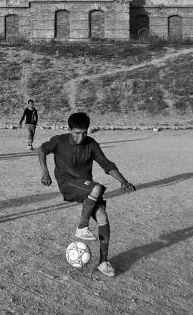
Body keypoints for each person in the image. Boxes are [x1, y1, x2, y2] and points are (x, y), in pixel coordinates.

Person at [37, 112, 136, 277]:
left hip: (86, 186)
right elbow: (41, 150)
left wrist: (123, 181)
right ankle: (82, 227)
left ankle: (103, 262)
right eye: (77, 133)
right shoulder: (59, 141)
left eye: (84, 132)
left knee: (103, 216)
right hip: (67, 182)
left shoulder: (91, 144)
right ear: (69, 130)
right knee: (96, 188)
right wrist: (45, 172)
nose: (81, 137)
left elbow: (106, 164)